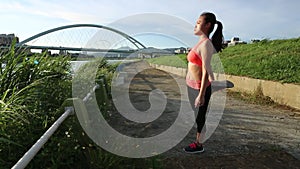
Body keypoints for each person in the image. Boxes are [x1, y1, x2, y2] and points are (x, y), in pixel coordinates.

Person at [183, 12, 224, 153]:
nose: (195, 24)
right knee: (196, 115)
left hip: (199, 88)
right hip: (192, 85)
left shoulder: (206, 43)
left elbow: (205, 69)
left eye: (199, 22)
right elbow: (203, 65)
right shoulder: (200, 42)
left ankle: (199, 145)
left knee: (200, 117)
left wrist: (201, 95)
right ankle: (214, 85)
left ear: (207, 25)